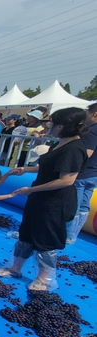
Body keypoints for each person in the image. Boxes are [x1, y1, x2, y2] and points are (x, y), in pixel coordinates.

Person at [0, 107, 88, 291]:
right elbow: (49, 168)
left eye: (52, 123)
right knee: (27, 232)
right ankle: (15, 267)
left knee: (45, 239)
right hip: (39, 199)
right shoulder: (60, 143)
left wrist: (31, 189)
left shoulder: (74, 149)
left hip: (54, 202)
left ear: (61, 126)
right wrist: (26, 169)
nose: (49, 125)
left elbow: (67, 180)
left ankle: (43, 279)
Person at [66, 103, 97, 244]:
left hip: (83, 173)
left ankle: (68, 234)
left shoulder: (91, 131)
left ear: (94, 114)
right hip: (93, 174)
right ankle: (74, 234)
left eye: (87, 113)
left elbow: (87, 153)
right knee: (84, 204)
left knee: (74, 204)